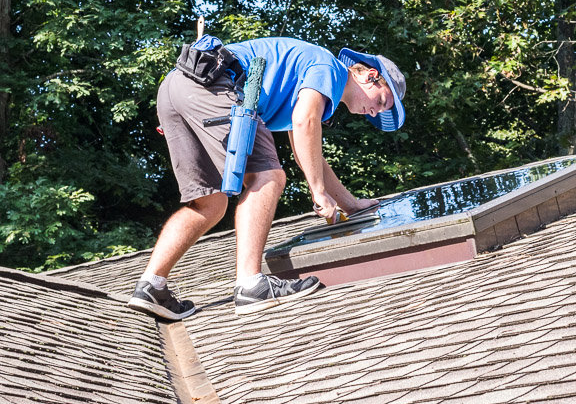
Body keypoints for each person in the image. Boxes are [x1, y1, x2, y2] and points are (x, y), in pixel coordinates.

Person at [126, 36, 407, 320]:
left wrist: (349, 204)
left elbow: (305, 150)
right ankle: (251, 285)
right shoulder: (331, 69)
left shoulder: (311, 82)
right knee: (268, 177)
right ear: (371, 77)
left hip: (176, 88)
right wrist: (319, 193)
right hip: (214, 85)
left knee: (209, 204)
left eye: (379, 113)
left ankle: (152, 285)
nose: (374, 112)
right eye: (381, 101)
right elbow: (304, 122)